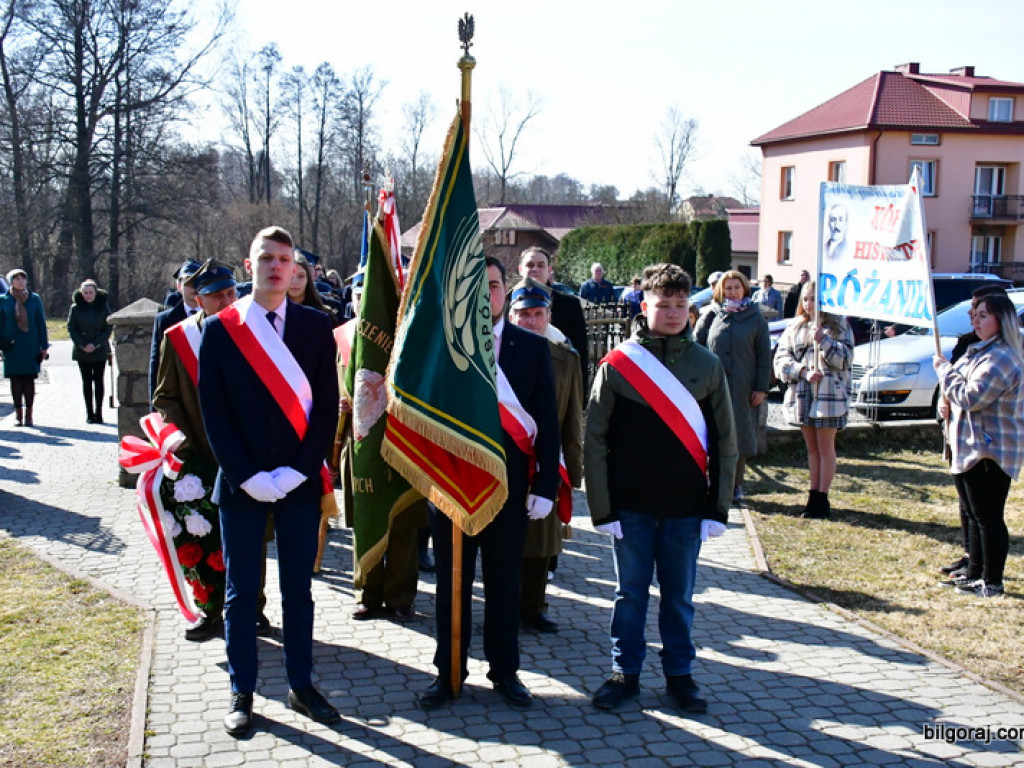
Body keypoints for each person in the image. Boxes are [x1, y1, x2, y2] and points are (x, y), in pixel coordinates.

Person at [198, 226, 340, 736]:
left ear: (296, 268)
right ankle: (243, 692)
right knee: (240, 593)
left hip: (298, 482)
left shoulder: (315, 327)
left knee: (298, 591)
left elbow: (326, 409)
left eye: (285, 259)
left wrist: (299, 469)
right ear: (249, 263)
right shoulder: (221, 329)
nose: (277, 267)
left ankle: (301, 686)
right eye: (267, 258)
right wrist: (247, 475)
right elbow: (213, 413)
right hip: (242, 485)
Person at [585, 262, 736, 713]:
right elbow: (593, 439)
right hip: (629, 507)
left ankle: (680, 677)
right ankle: (622, 674)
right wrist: (601, 508)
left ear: (688, 309)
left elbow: (726, 442)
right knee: (629, 596)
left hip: (686, 508)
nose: (671, 313)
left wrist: (719, 508)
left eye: (678, 305)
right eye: (661, 304)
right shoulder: (617, 365)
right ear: (643, 306)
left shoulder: (707, 365)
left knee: (679, 599)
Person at [419, 256, 560, 711]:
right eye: (477, 287)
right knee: (451, 584)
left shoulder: (531, 347)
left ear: (506, 291)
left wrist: (543, 486)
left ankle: (505, 672)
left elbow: (546, 422)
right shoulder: (442, 347)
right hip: (453, 486)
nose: (487, 295)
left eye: (495, 286)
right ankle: (449, 671)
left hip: (508, 488)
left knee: (503, 584)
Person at [153, 260, 241, 642]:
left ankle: (251, 609)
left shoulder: (255, 332)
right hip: (201, 459)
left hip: (244, 458)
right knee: (204, 539)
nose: (225, 301)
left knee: (248, 541)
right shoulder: (178, 338)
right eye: (215, 295)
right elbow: (165, 397)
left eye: (230, 293)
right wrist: (185, 447)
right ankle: (212, 611)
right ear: (198, 299)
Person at [933, 292, 1023, 599]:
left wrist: (944, 371)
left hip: (990, 449)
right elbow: (959, 391)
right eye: (974, 315)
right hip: (967, 445)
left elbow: (972, 397)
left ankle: (992, 582)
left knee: (988, 517)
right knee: (972, 514)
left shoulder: (1003, 356)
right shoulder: (978, 349)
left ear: (1002, 319)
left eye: (983, 315)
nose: (976, 320)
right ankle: (976, 573)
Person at [508, 279, 583, 635]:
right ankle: (503, 605)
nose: (530, 321)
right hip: (508, 458)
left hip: (547, 460)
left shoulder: (566, 359)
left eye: (538, 314)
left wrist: (574, 469)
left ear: (549, 316)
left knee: (541, 541)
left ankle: (534, 607)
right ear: (511, 315)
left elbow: (572, 419)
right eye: (523, 314)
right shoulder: (497, 352)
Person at [773, 280, 854, 519]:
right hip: (804, 393)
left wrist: (824, 341)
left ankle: (822, 497)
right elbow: (780, 360)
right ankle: (812, 495)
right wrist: (802, 371)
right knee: (811, 448)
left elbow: (846, 360)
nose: (809, 304)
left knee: (825, 447)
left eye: (814, 300)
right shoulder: (795, 327)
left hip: (830, 396)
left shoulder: (840, 326)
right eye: (806, 299)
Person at [695, 270, 771, 501]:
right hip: (714, 388)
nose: (733, 292)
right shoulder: (711, 314)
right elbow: (696, 347)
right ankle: (712, 483)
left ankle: (736, 485)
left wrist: (761, 387)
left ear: (745, 288)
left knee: (739, 437)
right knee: (712, 435)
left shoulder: (755, 317)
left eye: (736, 287)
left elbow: (763, 355)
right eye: (728, 288)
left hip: (743, 389)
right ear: (721, 290)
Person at [513, 246, 589, 390]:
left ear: (549, 271)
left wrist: (580, 396)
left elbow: (580, 353)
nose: (535, 269)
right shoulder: (507, 301)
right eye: (530, 265)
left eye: (541, 265)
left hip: (557, 383)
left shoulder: (569, 305)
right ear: (520, 269)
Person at [0, 268, 49, 427]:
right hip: (11, 343)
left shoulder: (34, 299)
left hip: (30, 342)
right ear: (11, 282)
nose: (20, 281)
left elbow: (41, 323)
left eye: (23, 278)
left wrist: (44, 346)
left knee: (29, 378)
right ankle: (18, 413)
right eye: (17, 279)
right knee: (15, 379)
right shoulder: (4, 299)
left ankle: (29, 414)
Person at [149, 259, 202, 404]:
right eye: (189, 282)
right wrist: (155, 406)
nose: (194, 288)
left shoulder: (216, 316)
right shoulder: (165, 320)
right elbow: (157, 365)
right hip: (178, 397)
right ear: (179, 286)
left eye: (198, 282)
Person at [67, 279, 112, 424]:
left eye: (90, 292)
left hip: (99, 349)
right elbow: (71, 328)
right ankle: (89, 413)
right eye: (85, 293)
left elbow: (108, 327)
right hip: (82, 350)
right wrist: (82, 344)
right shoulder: (75, 308)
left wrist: (96, 343)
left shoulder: (103, 306)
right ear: (81, 293)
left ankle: (99, 412)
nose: (88, 295)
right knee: (86, 382)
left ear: (96, 293)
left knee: (99, 381)